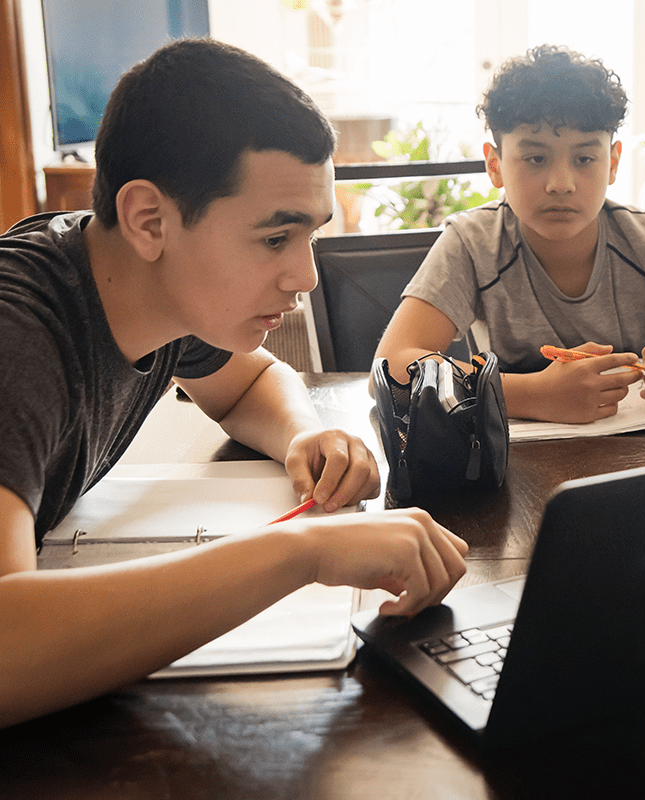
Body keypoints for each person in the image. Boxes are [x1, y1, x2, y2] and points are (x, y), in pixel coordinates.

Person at [0, 38, 468, 728]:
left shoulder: (154, 287)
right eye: (276, 239)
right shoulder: (18, 334)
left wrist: (305, 435)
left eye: (311, 235)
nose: (306, 277)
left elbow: (249, 387)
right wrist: (303, 551)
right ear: (149, 219)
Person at [374, 44, 645, 424]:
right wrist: (533, 394)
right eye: (535, 159)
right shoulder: (473, 244)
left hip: (643, 463)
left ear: (612, 162)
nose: (561, 182)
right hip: (517, 466)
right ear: (495, 164)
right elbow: (391, 364)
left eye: (584, 159)